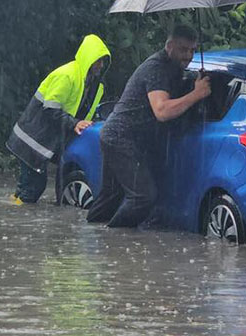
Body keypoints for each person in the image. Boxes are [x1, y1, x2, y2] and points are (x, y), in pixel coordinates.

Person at [86, 25, 210, 228]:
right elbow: (161, 111)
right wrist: (196, 94)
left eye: (192, 50)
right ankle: (110, 242)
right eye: (183, 49)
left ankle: (88, 237)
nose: (188, 55)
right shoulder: (156, 68)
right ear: (169, 46)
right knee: (143, 197)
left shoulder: (175, 70)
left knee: (112, 197)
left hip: (121, 136)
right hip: (121, 137)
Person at [7, 34, 111, 204]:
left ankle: (15, 206)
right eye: (98, 60)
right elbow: (50, 109)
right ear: (88, 58)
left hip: (46, 140)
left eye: (103, 61)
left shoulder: (92, 84)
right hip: (32, 139)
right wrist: (74, 123)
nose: (101, 65)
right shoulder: (67, 75)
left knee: (30, 186)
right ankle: (14, 214)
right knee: (32, 188)